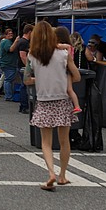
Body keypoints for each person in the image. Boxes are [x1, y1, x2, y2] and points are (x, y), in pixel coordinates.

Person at [25, 21, 82, 191]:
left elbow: (27, 80)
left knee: (46, 142)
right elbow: (77, 76)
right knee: (64, 141)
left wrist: (39, 79)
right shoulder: (64, 54)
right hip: (63, 100)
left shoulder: (32, 56)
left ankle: (50, 173)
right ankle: (62, 175)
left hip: (43, 101)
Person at [10, 24, 33, 112]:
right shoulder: (24, 42)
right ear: (29, 32)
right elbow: (23, 56)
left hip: (19, 65)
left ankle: (22, 106)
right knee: (25, 86)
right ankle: (24, 106)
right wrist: (29, 67)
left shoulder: (20, 41)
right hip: (23, 67)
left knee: (23, 86)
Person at [0, 27, 19, 104]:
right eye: (9, 34)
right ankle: (9, 96)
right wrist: (16, 41)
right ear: (5, 35)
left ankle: (9, 95)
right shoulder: (6, 42)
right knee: (8, 80)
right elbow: (10, 49)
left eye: (12, 33)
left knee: (8, 79)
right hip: (8, 63)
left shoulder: (4, 41)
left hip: (6, 63)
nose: (11, 34)